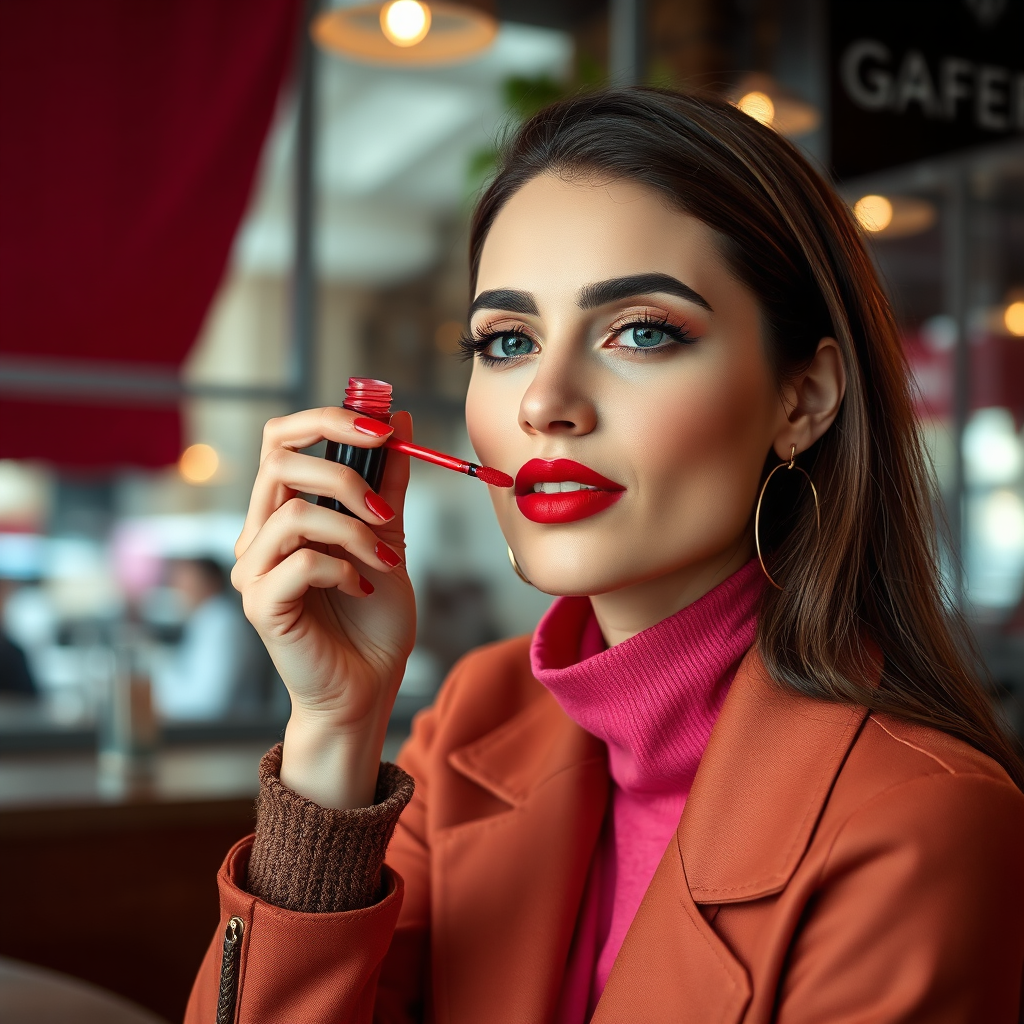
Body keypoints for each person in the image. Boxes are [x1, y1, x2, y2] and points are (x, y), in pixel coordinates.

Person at [186, 90, 1024, 1023]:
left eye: (641, 331)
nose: (547, 401)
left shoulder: (919, 822)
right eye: (506, 341)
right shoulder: (473, 720)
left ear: (806, 398)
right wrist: (336, 727)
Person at [152, 557, 263, 720]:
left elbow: (207, 703)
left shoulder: (221, 622)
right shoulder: (207, 620)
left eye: (185, 581)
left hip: (224, 734)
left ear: (211, 582)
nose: (178, 588)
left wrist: (148, 692)